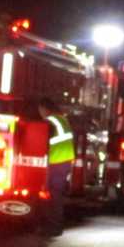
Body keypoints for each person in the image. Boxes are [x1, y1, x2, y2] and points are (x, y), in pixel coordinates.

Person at [38, 97, 76, 236]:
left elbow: (44, 144)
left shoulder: (49, 122)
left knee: (53, 196)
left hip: (56, 163)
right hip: (64, 162)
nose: (40, 113)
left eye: (40, 110)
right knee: (56, 196)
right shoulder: (63, 120)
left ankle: (53, 227)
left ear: (45, 109)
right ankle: (54, 226)